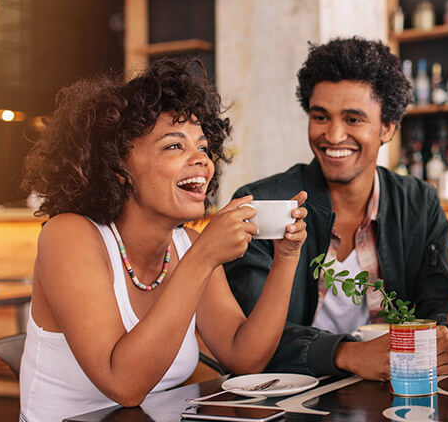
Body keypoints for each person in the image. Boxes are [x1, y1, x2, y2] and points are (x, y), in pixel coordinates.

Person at [19, 59, 309, 422]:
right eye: (175, 146)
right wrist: (204, 257)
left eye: (203, 147)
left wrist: (286, 256)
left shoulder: (186, 242)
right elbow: (124, 385)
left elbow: (244, 356)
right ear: (117, 167)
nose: (202, 160)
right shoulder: (69, 236)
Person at [224, 37, 448, 380]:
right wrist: (346, 354)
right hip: (286, 398)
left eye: (353, 119)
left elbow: (442, 308)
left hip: (395, 393)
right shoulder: (262, 205)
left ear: (388, 127)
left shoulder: (419, 204)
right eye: (321, 116)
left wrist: (439, 345)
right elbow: (246, 336)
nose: (333, 135)